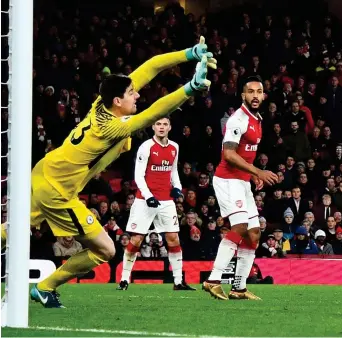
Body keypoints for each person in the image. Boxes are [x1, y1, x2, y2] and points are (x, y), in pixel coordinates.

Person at [29, 37, 215, 308]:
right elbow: (153, 113)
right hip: (58, 190)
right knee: (105, 250)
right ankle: (45, 287)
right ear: (118, 100)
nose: (137, 94)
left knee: (16, 228)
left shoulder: (100, 104)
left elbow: (150, 67)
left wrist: (190, 53)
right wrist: (190, 88)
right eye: (131, 93)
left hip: (45, 170)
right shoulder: (112, 128)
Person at [202, 75, 278, 301]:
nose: (255, 95)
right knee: (241, 226)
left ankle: (239, 287)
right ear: (243, 95)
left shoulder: (257, 118)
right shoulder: (237, 119)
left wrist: (251, 175)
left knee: (254, 233)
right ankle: (213, 280)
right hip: (227, 179)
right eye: (250, 91)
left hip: (242, 181)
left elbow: (245, 153)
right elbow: (229, 154)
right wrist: (257, 171)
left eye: (259, 91)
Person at [117, 116, 195, 291]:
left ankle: (178, 281)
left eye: (165, 124)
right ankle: (124, 279)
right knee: (136, 239)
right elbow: (138, 175)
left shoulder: (175, 147)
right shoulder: (146, 147)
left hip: (166, 200)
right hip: (145, 200)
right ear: (153, 127)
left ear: (170, 127)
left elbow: (173, 170)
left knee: (173, 238)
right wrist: (148, 195)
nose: (161, 127)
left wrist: (177, 187)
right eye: (158, 124)